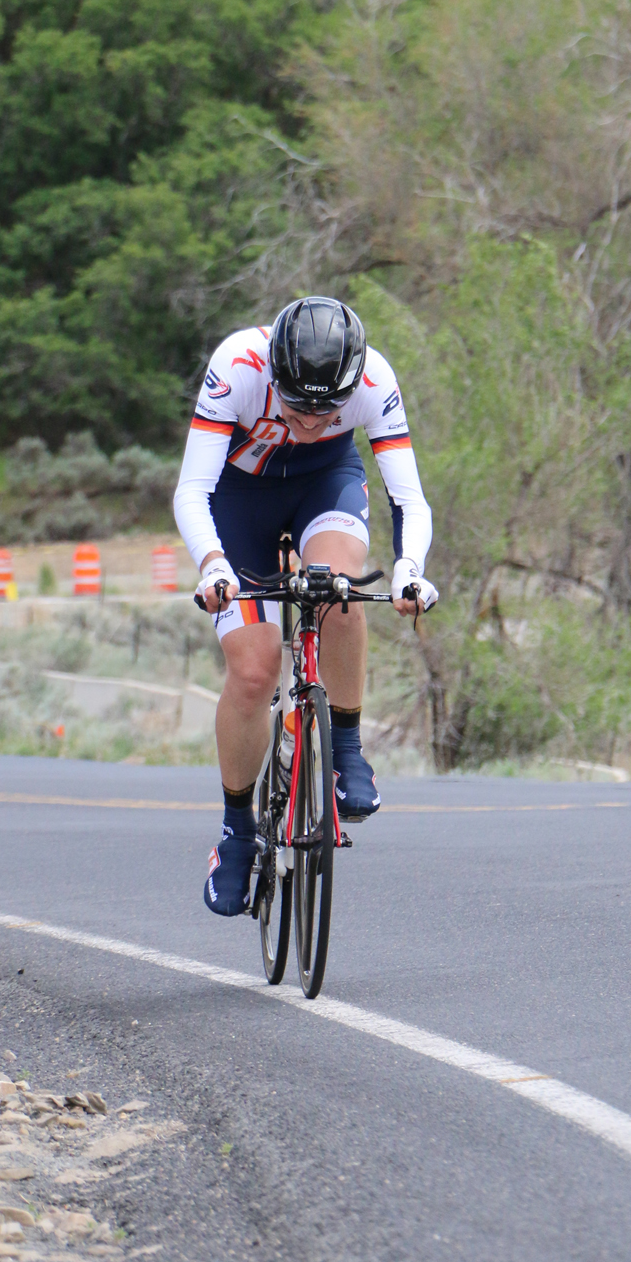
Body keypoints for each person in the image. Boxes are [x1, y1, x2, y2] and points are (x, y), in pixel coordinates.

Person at [173, 296, 436, 917]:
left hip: (325, 485)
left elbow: (409, 499)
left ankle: (345, 749)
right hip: (239, 501)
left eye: (329, 408)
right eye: (298, 405)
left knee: (342, 590)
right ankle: (238, 831)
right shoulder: (236, 364)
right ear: (273, 373)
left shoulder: (374, 377)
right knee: (255, 668)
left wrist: (410, 571)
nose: (314, 420)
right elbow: (193, 489)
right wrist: (214, 565)